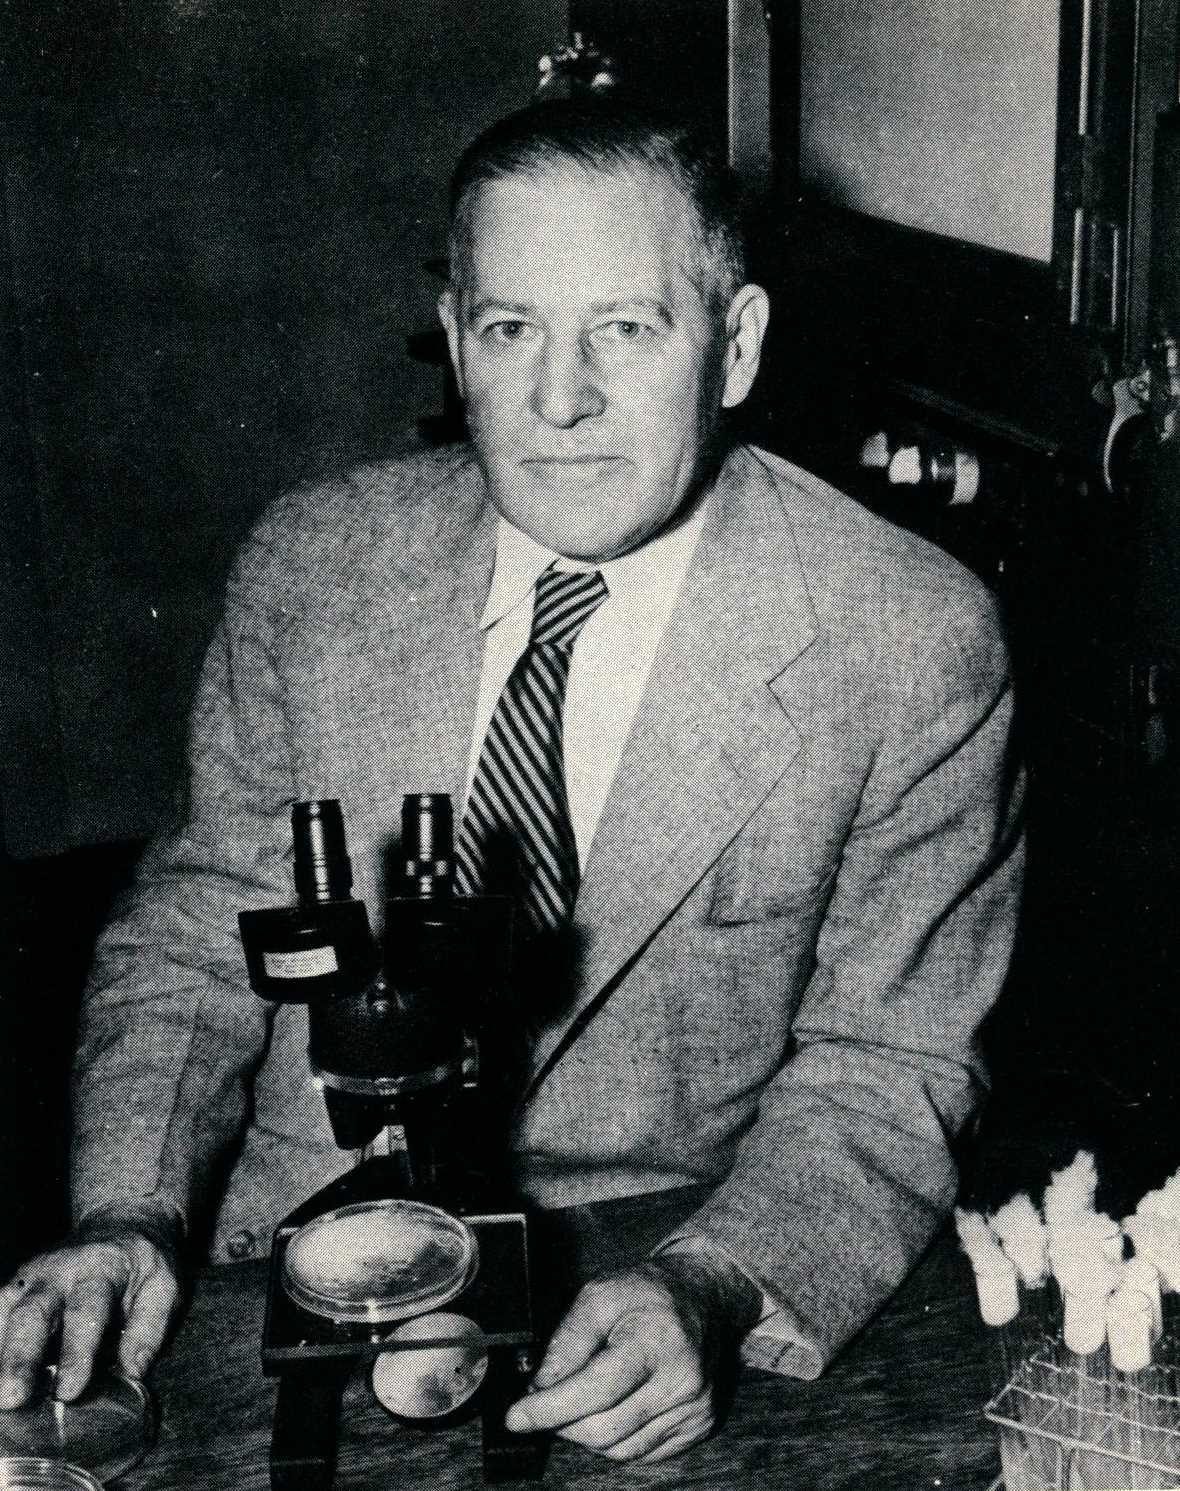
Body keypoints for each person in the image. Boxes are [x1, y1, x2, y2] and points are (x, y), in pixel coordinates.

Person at [0, 98, 1023, 1463]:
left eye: (625, 328)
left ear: (737, 346)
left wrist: (714, 1285)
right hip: (301, 1258)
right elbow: (200, 937)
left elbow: (889, 1063)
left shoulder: (910, 638)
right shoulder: (312, 563)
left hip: (651, 1277)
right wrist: (124, 1216)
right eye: (510, 328)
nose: (559, 400)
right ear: (457, 336)